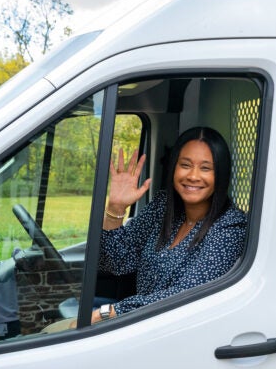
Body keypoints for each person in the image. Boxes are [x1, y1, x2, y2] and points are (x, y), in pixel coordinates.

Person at [88, 126, 246, 324]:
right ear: (174, 168)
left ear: (220, 175)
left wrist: (108, 312)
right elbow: (117, 263)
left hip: (177, 332)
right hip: (138, 324)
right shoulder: (163, 207)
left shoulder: (231, 226)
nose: (193, 176)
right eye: (185, 165)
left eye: (206, 168)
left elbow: (185, 295)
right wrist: (115, 208)